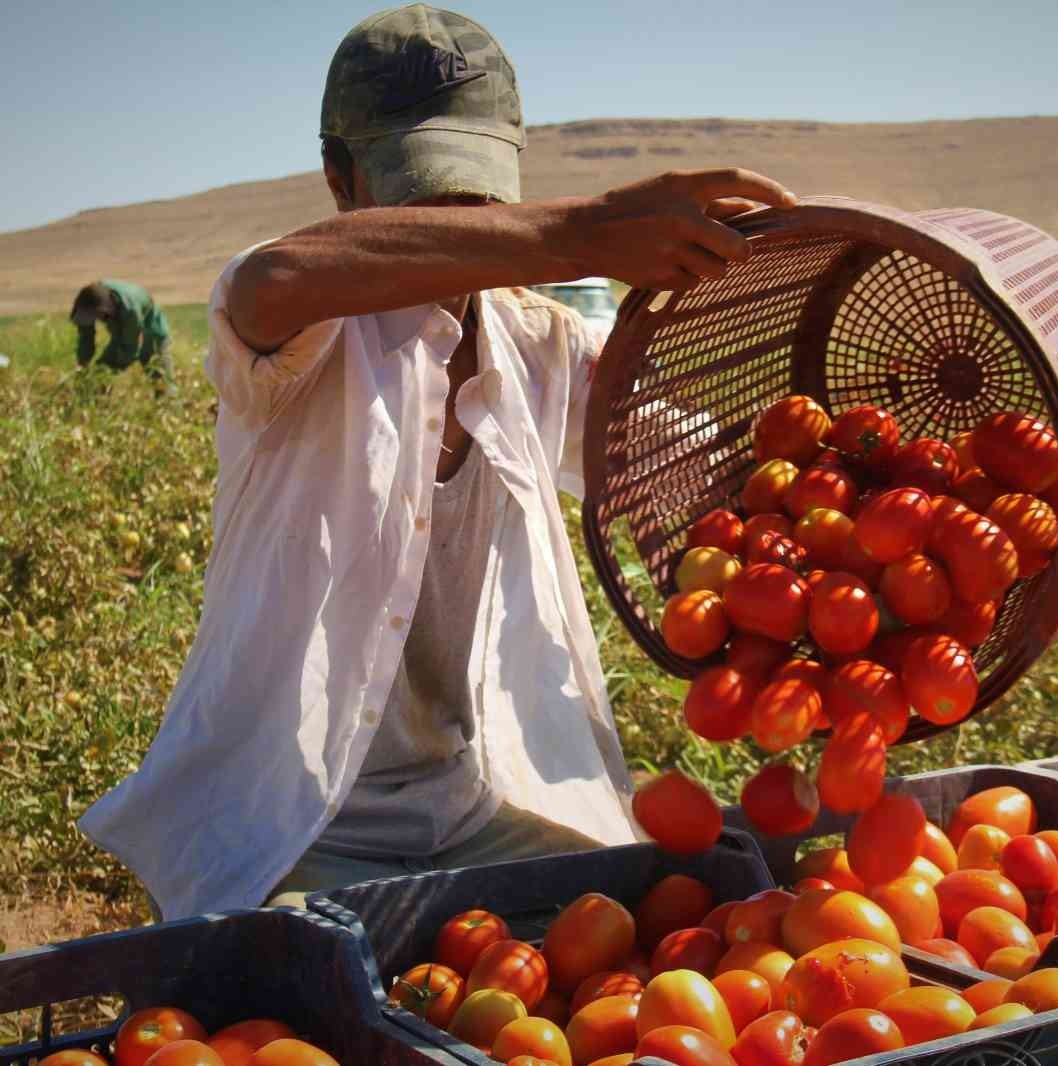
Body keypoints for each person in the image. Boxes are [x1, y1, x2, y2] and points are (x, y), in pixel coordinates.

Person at [77, 3, 796, 921]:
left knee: (659, 923)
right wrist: (581, 233)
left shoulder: (540, 346)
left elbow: (695, 476)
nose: (459, 219)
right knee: (314, 991)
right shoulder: (299, 336)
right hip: (283, 828)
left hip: (467, 809)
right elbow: (274, 277)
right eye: (424, 194)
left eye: (476, 195)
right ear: (340, 179)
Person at [69, 279, 174, 391]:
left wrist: (109, 372)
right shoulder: (87, 302)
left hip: (152, 329)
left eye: (97, 315)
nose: (96, 319)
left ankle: (169, 402)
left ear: (105, 309)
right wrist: (83, 366)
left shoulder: (130, 310)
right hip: (120, 329)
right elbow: (86, 338)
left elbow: (130, 349)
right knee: (97, 376)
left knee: (159, 377)